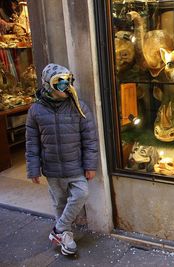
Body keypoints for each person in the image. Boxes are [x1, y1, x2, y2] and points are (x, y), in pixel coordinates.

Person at [25, 63, 98, 256]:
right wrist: (33, 169)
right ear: (49, 85)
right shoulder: (35, 111)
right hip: (52, 168)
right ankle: (65, 238)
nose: (66, 86)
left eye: (69, 81)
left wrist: (90, 165)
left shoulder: (79, 107)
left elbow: (89, 139)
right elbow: (32, 142)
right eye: (60, 82)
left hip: (75, 166)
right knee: (59, 202)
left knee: (81, 194)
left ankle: (58, 229)